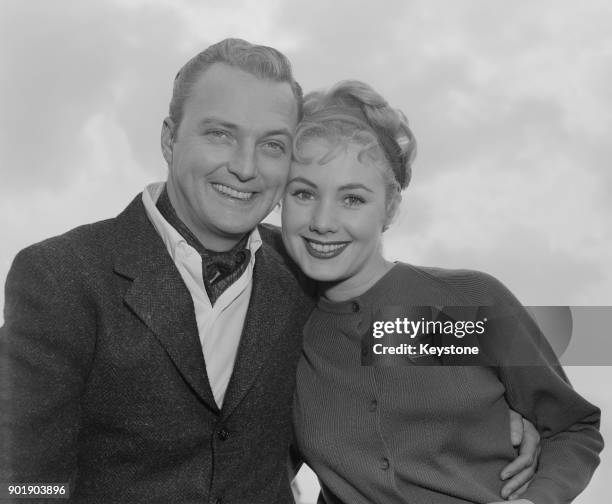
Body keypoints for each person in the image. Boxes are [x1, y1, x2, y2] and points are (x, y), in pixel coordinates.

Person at [0, 39, 538, 503]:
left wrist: (495, 412)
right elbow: (22, 481)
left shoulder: (310, 273)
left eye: (272, 145)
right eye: (219, 134)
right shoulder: (61, 275)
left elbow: (437, 338)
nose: (245, 165)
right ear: (169, 138)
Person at [282, 80, 604, 504]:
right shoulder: (282, 326)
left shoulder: (463, 303)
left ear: (391, 207)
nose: (323, 221)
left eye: (353, 199)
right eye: (304, 192)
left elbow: (570, 427)